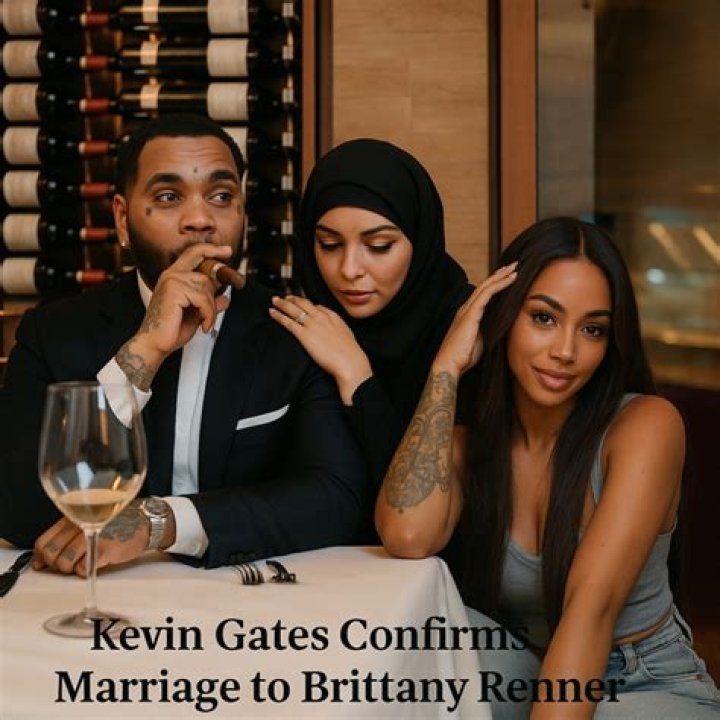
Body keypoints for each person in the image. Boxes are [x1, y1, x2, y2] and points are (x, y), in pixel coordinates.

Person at [376, 217, 719, 719]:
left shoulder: (645, 427)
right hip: (530, 671)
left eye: (592, 329)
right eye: (543, 318)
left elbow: (592, 609)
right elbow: (406, 536)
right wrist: (446, 367)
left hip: (641, 678)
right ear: (503, 317)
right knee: (409, 635)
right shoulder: (470, 446)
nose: (565, 351)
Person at [0, 114, 367, 574]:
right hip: (99, 599)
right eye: (169, 197)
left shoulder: (293, 332)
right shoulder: (52, 332)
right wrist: (145, 349)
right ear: (122, 220)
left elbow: (336, 497)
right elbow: (14, 506)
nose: (200, 220)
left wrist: (162, 521)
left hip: (248, 604)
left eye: (222, 196)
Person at [269, 138, 473, 487]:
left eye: (379, 246)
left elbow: (425, 499)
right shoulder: (307, 329)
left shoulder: (468, 329)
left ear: (420, 238)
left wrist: (356, 375)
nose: (349, 270)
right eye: (329, 245)